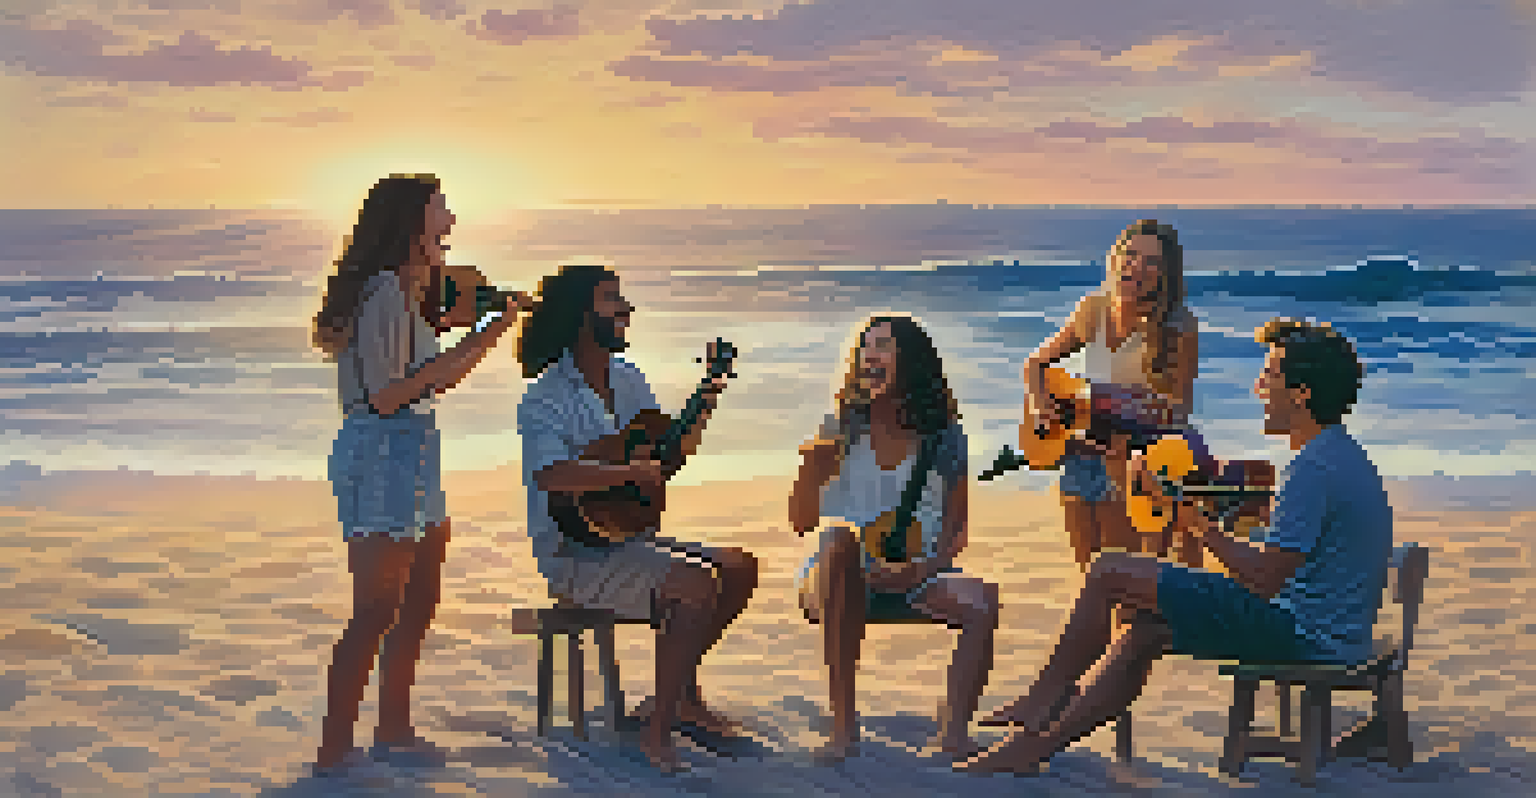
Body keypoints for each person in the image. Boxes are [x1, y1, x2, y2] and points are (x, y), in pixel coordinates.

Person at [957, 318, 1393, 774]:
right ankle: (1036, 748)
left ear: (1301, 393)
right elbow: (1296, 557)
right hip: (1330, 631)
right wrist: (1211, 522)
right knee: (1143, 631)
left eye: (1270, 376)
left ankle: (1044, 697)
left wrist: (1203, 532)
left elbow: (1266, 579)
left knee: (1108, 571)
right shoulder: (1338, 454)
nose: (1259, 387)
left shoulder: (1314, 470)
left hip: (1305, 635)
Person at [311, 174, 533, 774]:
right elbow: (388, 394)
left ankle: (394, 728)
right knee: (377, 607)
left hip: (414, 445)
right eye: (441, 209)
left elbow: (432, 374)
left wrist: (480, 326)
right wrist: (490, 331)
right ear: (412, 220)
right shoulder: (383, 289)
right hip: (381, 447)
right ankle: (333, 751)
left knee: (418, 600)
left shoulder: (406, 291)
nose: (451, 220)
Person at [516, 264, 758, 773]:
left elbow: (660, 459)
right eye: (611, 300)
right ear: (581, 315)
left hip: (625, 537)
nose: (626, 310)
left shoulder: (628, 379)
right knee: (693, 584)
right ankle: (658, 729)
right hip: (573, 552)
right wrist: (628, 470)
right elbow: (551, 477)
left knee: (739, 566)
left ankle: (679, 700)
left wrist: (703, 406)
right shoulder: (545, 396)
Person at [790, 315, 1000, 762]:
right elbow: (800, 522)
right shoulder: (841, 427)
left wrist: (923, 570)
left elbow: (957, 526)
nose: (870, 355)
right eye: (865, 347)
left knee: (982, 600)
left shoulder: (943, 435)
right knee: (835, 541)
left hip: (915, 571)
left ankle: (953, 735)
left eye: (883, 346)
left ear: (911, 361)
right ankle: (844, 727)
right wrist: (810, 469)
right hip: (837, 577)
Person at [1019, 220, 1202, 569]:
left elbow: (1179, 410)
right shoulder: (1094, 310)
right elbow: (1035, 365)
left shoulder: (1179, 327)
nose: (1137, 267)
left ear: (1166, 273)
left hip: (1133, 463)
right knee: (1089, 573)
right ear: (1115, 260)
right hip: (1079, 455)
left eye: (1151, 261)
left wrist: (1137, 437)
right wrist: (1043, 409)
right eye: (1130, 255)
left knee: (1121, 575)